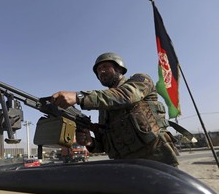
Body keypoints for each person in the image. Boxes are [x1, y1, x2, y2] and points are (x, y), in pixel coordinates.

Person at [51, 52, 179, 167]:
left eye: (105, 67)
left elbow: (126, 95)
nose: (101, 72)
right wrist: (90, 142)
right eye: (99, 70)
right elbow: (104, 144)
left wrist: (79, 96)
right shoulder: (104, 108)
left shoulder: (140, 80)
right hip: (123, 165)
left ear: (119, 68)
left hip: (155, 157)